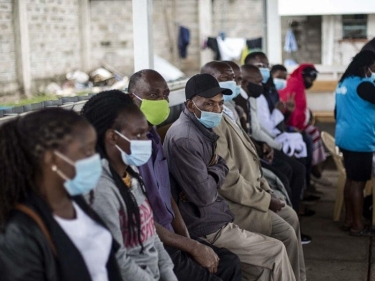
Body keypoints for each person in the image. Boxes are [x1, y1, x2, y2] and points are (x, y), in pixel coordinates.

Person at [164, 73, 296, 281]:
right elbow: (205, 195)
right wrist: (217, 168)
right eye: (209, 104)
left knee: (269, 261)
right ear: (190, 105)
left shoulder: (202, 128)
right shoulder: (186, 138)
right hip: (207, 226)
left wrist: (215, 168)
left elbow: (220, 167)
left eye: (219, 104)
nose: (216, 110)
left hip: (219, 216)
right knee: (276, 250)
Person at [128, 69, 242, 281]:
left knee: (229, 263)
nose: (161, 101)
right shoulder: (132, 148)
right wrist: (191, 246)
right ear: (131, 98)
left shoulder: (152, 137)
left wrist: (191, 243)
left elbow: (167, 197)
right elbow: (143, 218)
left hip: (176, 234)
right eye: (153, 95)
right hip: (157, 243)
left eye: (165, 95)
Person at [201, 61, 306, 281]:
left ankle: (297, 276)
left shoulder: (229, 110)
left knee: (291, 217)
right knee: (284, 236)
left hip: (253, 191)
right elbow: (228, 180)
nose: (232, 84)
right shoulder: (211, 120)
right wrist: (264, 200)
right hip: (238, 205)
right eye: (224, 79)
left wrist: (266, 191)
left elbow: (250, 157)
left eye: (235, 79)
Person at [0, 108, 122, 281]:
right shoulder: (19, 233)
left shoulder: (75, 202)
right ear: (52, 158)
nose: (95, 157)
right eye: (87, 150)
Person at [81, 91, 177, 281]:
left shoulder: (130, 172)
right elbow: (117, 259)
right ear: (112, 137)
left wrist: (167, 272)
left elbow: (151, 235)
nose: (146, 142)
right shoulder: (100, 188)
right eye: (139, 135)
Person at [335, 50, 375, 236]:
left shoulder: (344, 83)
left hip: (345, 137)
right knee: (358, 184)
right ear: (367, 65)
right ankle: (358, 225)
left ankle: (349, 220)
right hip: (360, 140)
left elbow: (337, 112)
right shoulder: (364, 86)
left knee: (351, 180)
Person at [279, 64, 330, 187]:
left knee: (314, 132)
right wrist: (297, 127)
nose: (311, 81)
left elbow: (299, 107)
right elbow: (294, 109)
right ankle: (313, 173)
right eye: (310, 78)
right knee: (309, 137)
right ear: (303, 75)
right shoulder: (296, 83)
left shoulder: (296, 82)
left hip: (295, 122)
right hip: (290, 124)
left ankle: (313, 172)